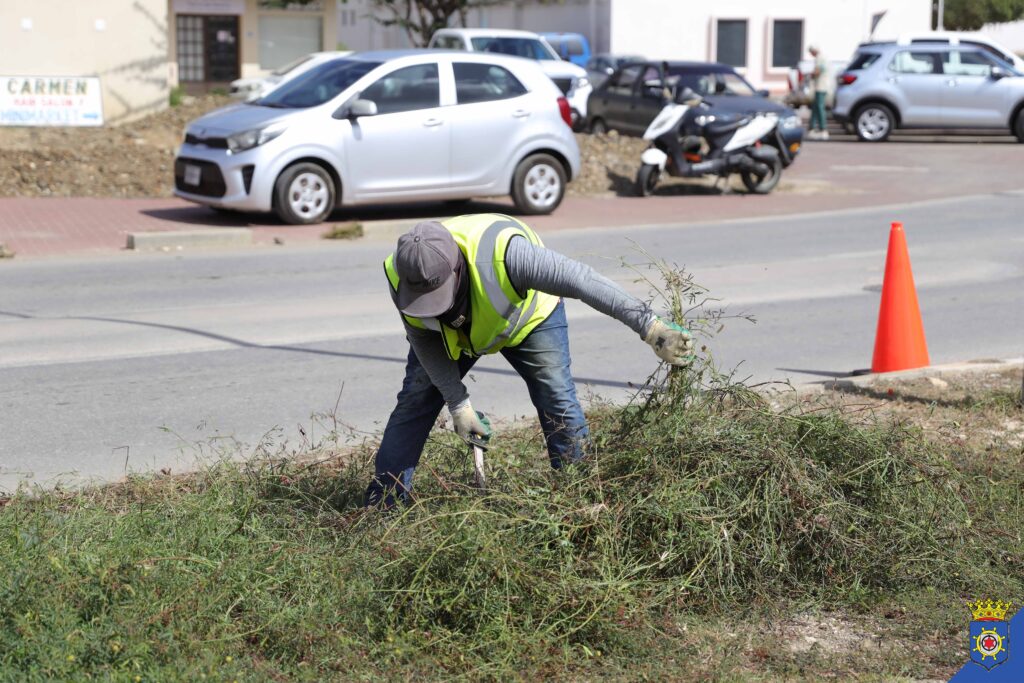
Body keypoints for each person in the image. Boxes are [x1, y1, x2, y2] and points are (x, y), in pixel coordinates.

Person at [365, 214, 695, 507]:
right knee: (414, 401)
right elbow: (423, 337)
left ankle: (578, 498)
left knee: (556, 397)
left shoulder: (508, 257)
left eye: (439, 297)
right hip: (454, 336)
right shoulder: (402, 276)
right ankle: (383, 507)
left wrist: (652, 328)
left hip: (528, 319)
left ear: (458, 269)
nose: (434, 307)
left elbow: (582, 280)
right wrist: (458, 403)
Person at [807, 45, 830, 140]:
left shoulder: (820, 58)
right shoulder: (820, 57)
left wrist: (810, 75)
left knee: (820, 107)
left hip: (821, 87)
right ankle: (811, 127)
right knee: (815, 107)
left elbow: (818, 71)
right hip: (819, 87)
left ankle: (823, 129)